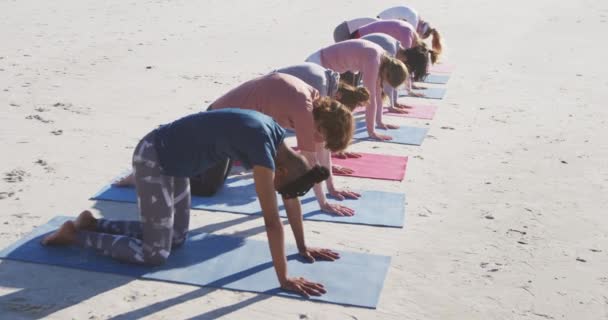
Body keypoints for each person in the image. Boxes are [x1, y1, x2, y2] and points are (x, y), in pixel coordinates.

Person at [42, 108, 339, 298]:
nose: (277, 190)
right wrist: (284, 278)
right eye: (279, 186)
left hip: (177, 165)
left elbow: (290, 197)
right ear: (283, 171)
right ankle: (77, 235)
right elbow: (272, 222)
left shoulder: (277, 140)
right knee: (155, 253)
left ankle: (94, 222)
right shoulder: (265, 155)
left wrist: (302, 247)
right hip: (154, 157)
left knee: (177, 238)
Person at [210, 73, 359, 216]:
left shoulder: (317, 104)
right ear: (322, 125)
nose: (321, 138)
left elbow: (323, 153)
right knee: (207, 188)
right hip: (216, 122)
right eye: (323, 134)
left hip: (237, 128)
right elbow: (312, 165)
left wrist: (331, 188)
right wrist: (323, 203)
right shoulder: (304, 110)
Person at [306, 39, 408, 141]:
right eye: (386, 80)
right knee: (319, 109)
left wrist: (379, 122)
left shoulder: (382, 59)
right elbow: (371, 99)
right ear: (387, 72)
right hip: (316, 65)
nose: (384, 82)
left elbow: (378, 94)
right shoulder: (373, 61)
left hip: (326, 67)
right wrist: (371, 132)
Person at [360, 33, 431, 112]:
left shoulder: (398, 49)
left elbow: (394, 80)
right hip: (354, 54)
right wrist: (391, 106)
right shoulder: (390, 52)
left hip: (360, 54)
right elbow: (389, 82)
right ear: (407, 62)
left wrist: (401, 97)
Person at [274, 62, 370, 111]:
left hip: (274, 81)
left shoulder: (327, 79)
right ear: (338, 96)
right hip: (271, 88)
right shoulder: (321, 88)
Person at [377, 5, 443, 58]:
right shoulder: (413, 22)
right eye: (419, 35)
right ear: (420, 31)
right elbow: (408, 45)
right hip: (380, 22)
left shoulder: (416, 17)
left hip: (382, 20)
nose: (417, 35)